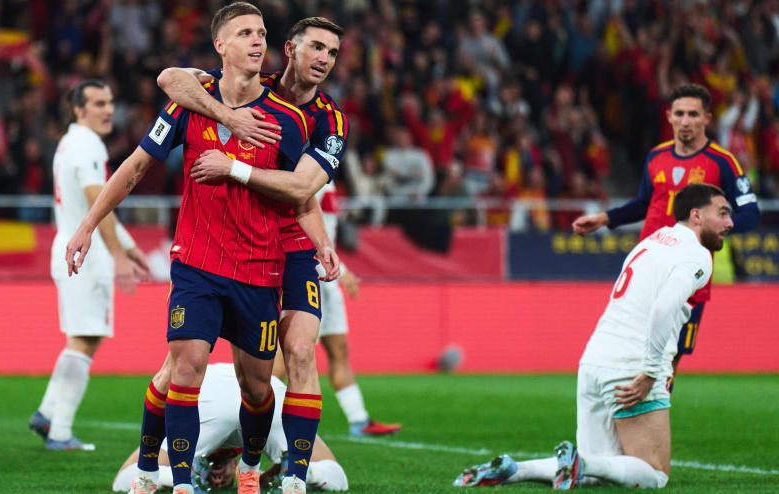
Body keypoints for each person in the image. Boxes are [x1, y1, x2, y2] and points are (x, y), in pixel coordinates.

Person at [64, 4, 319, 494]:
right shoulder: (188, 104)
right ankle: (178, 482)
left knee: (258, 388)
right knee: (185, 365)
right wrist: (88, 226)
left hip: (259, 268)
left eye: (262, 33)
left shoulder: (286, 119)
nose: (256, 41)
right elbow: (136, 166)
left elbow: (299, 192)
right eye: (244, 32)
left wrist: (321, 245)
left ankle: (247, 464)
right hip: (197, 262)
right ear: (220, 46)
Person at [153, 16, 375, 494]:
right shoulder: (254, 86)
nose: (324, 60)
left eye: (333, 53)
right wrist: (227, 116)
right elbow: (172, 79)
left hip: (293, 246)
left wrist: (323, 244)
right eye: (316, 47)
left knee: (299, 351)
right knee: (214, 369)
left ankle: (292, 477)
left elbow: (301, 190)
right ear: (290, 50)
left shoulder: (330, 120)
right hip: (246, 245)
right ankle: (197, 461)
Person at [455, 184, 733, 489]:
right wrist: (651, 371)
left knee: (593, 475)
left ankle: (514, 469)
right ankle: (578, 461)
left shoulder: (650, 242)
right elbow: (662, 309)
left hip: (594, 360)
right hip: (631, 366)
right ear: (696, 215)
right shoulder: (697, 254)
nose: (729, 223)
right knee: (654, 474)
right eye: (722, 213)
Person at [571, 83, 760, 382]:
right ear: (669, 116)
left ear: (706, 119)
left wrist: (716, 227)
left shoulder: (723, 163)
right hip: (649, 266)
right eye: (680, 113)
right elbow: (644, 204)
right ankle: (626, 419)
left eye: (693, 114)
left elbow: (751, 213)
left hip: (689, 272)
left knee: (668, 361)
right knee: (630, 350)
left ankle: (651, 422)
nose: (686, 121)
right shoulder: (656, 156)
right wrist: (606, 219)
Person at [28, 79, 149, 451]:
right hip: (84, 255)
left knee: (84, 338)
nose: (107, 109)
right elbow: (98, 200)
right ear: (79, 110)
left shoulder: (69, 144)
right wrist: (117, 253)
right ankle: (60, 432)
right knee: (83, 340)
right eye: (98, 103)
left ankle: (48, 413)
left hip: (69, 248)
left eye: (110, 101)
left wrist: (127, 246)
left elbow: (92, 208)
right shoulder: (88, 145)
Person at [273, 182, 402, 436]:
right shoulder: (305, 166)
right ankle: (254, 420)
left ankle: (359, 420)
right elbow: (297, 220)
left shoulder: (325, 166)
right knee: (285, 356)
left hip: (328, 276)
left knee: (339, 350)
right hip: (307, 271)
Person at [112, 363, 348, 493]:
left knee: (139, 474)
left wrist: (271, 475)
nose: (217, 480)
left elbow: (122, 477)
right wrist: (275, 473)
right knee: (332, 474)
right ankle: (300, 473)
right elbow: (340, 478)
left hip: (205, 398)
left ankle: (179, 476)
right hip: (267, 396)